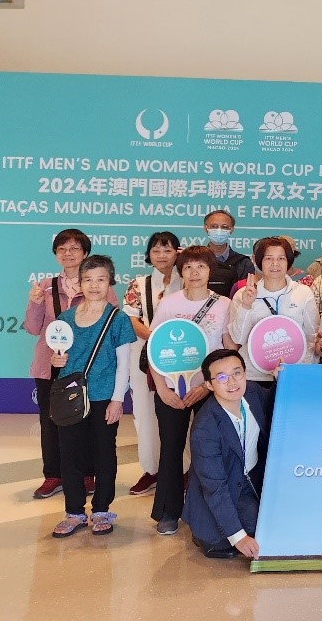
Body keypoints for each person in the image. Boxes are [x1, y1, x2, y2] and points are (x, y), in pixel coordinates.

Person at [148, 245, 236, 537]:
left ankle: (204, 513)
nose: (194, 273)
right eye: (188, 267)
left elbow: (228, 350)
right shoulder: (169, 304)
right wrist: (162, 389)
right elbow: (155, 348)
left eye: (201, 266)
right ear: (180, 271)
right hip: (171, 391)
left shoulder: (224, 304)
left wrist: (206, 386)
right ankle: (168, 512)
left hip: (209, 390)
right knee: (170, 450)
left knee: (207, 452)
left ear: (211, 270)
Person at [24, 229, 117, 500]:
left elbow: (109, 328)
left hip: (86, 368)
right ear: (55, 254)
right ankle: (53, 475)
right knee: (51, 422)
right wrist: (34, 304)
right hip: (50, 366)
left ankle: (88, 473)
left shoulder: (101, 285)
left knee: (86, 419)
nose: (68, 253)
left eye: (74, 248)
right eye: (62, 249)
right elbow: (32, 328)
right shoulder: (44, 286)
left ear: (85, 253)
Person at [48, 255, 136, 538]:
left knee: (103, 454)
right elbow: (60, 355)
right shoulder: (65, 319)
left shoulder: (118, 318)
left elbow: (124, 363)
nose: (94, 285)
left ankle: (101, 510)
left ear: (110, 282)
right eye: (88, 279)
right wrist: (56, 360)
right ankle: (74, 512)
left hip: (103, 398)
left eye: (100, 279)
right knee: (70, 456)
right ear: (80, 284)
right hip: (71, 397)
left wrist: (117, 399)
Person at [183, 349, 273, 560]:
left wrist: (282, 377)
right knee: (257, 529)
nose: (232, 382)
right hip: (223, 490)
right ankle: (207, 533)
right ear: (209, 385)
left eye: (237, 373)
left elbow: (278, 401)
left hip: (251, 481)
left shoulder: (253, 392)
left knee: (279, 521)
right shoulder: (205, 429)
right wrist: (239, 537)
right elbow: (214, 487)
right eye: (221, 377)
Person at [121, 231, 183, 497]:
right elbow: (131, 320)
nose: (161, 256)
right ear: (149, 255)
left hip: (182, 357)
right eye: (156, 251)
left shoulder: (188, 279)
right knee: (145, 413)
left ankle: (185, 471)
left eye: (167, 250)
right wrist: (157, 339)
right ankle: (151, 469)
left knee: (183, 411)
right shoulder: (139, 283)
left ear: (177, 253)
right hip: (144, 355)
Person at [228, 236, 319, 384]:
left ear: (288, 261)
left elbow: (312, 336)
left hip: (293, 374)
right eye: (268, 258)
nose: (275, 264)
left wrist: (301, 367)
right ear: (259, 262)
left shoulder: (303, 292)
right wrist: (246, 306)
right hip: (254, 376)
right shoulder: (244, 294)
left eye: (281, 258)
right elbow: (238, 339)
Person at [201, 210, 254, 298]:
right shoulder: (195, 260)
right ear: (206, 228)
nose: (219, 230)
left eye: (224, 227)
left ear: (231, 230)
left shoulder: (243, 263)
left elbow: (247, 295)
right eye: (214, 226)